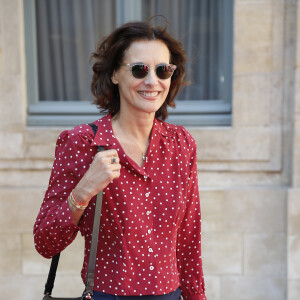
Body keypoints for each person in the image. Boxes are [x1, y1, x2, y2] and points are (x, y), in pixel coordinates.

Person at [34, 20, 206, 300]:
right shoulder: (82, 143)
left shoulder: (181, 144)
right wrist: (84, 191)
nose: (152, 81)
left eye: (163, 70)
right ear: (115, 74)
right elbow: (45, 242)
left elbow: (189, 240)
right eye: (140, 69)